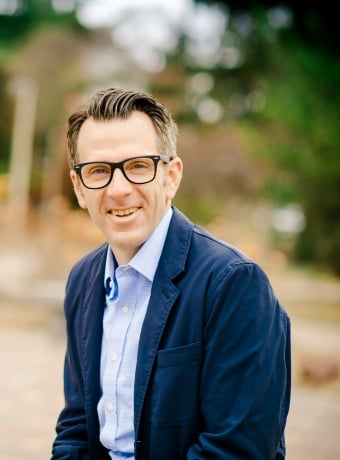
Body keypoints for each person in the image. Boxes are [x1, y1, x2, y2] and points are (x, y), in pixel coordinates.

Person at [51, 87, 291, 460]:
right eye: (98, 171)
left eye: (138, 166)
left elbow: (237, 451)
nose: (118, 190)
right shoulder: (82, 280)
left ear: (171, 176)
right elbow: (76, 428)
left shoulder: (234, 285)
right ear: (79, 188)